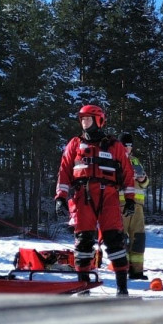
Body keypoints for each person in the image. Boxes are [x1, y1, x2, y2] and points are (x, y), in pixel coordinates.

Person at [54, 104, 135, 295]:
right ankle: (83, 288)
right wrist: (60, 197)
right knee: (83, 242)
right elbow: (64, 171)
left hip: (108, 196)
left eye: (88, 118)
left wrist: (130, 199)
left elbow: (128, 173)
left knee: (114, 241)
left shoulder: (115, 146)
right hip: (83, 196)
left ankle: (122, 288)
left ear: (99, 120)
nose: (84, 122)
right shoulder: (74, 144)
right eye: (82, 119)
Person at [120, 133, 149, 279]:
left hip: (138, 206)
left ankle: (137, 271)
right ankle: (121, 270)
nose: (128, 148)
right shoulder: (115, 160)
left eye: (130, 146)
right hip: (121, 205)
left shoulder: (135, 161)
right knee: (121, 239)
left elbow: (145, 183)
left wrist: (143, 179)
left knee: (138, 239)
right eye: (125, 146)